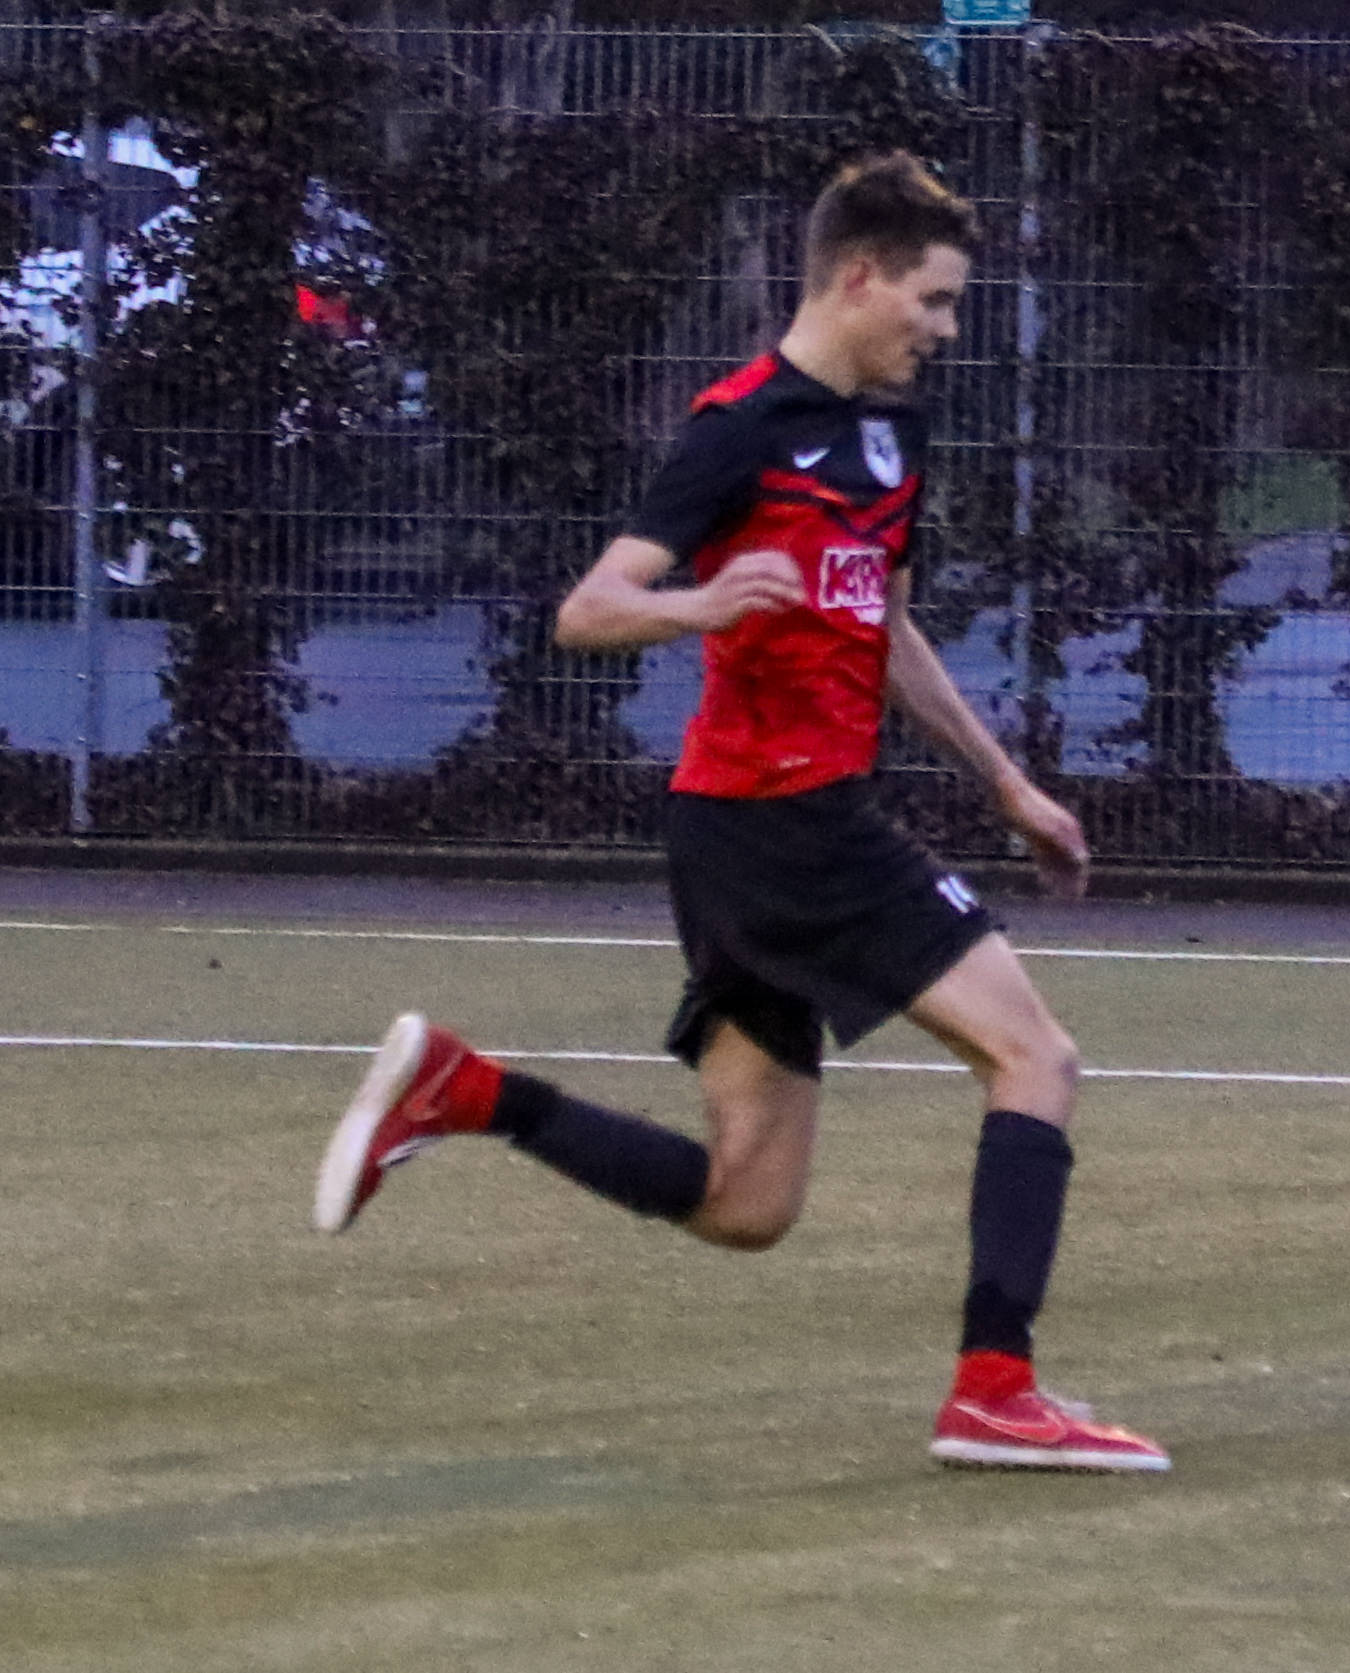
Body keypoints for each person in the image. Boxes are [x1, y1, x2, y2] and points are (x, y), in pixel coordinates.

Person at [312, 153, 1167, 1474]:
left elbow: (880, 623)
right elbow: (589, 609)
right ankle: (995, 1389)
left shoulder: (893, 435)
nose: (945, 329)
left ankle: (470, 1091)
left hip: (743, 831)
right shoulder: (737, 428)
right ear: (860, 276)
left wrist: (1004, 782)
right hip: (786, 824)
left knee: (746, 1201)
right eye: (933, 300)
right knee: (1037, 1059)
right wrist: (700, 604)